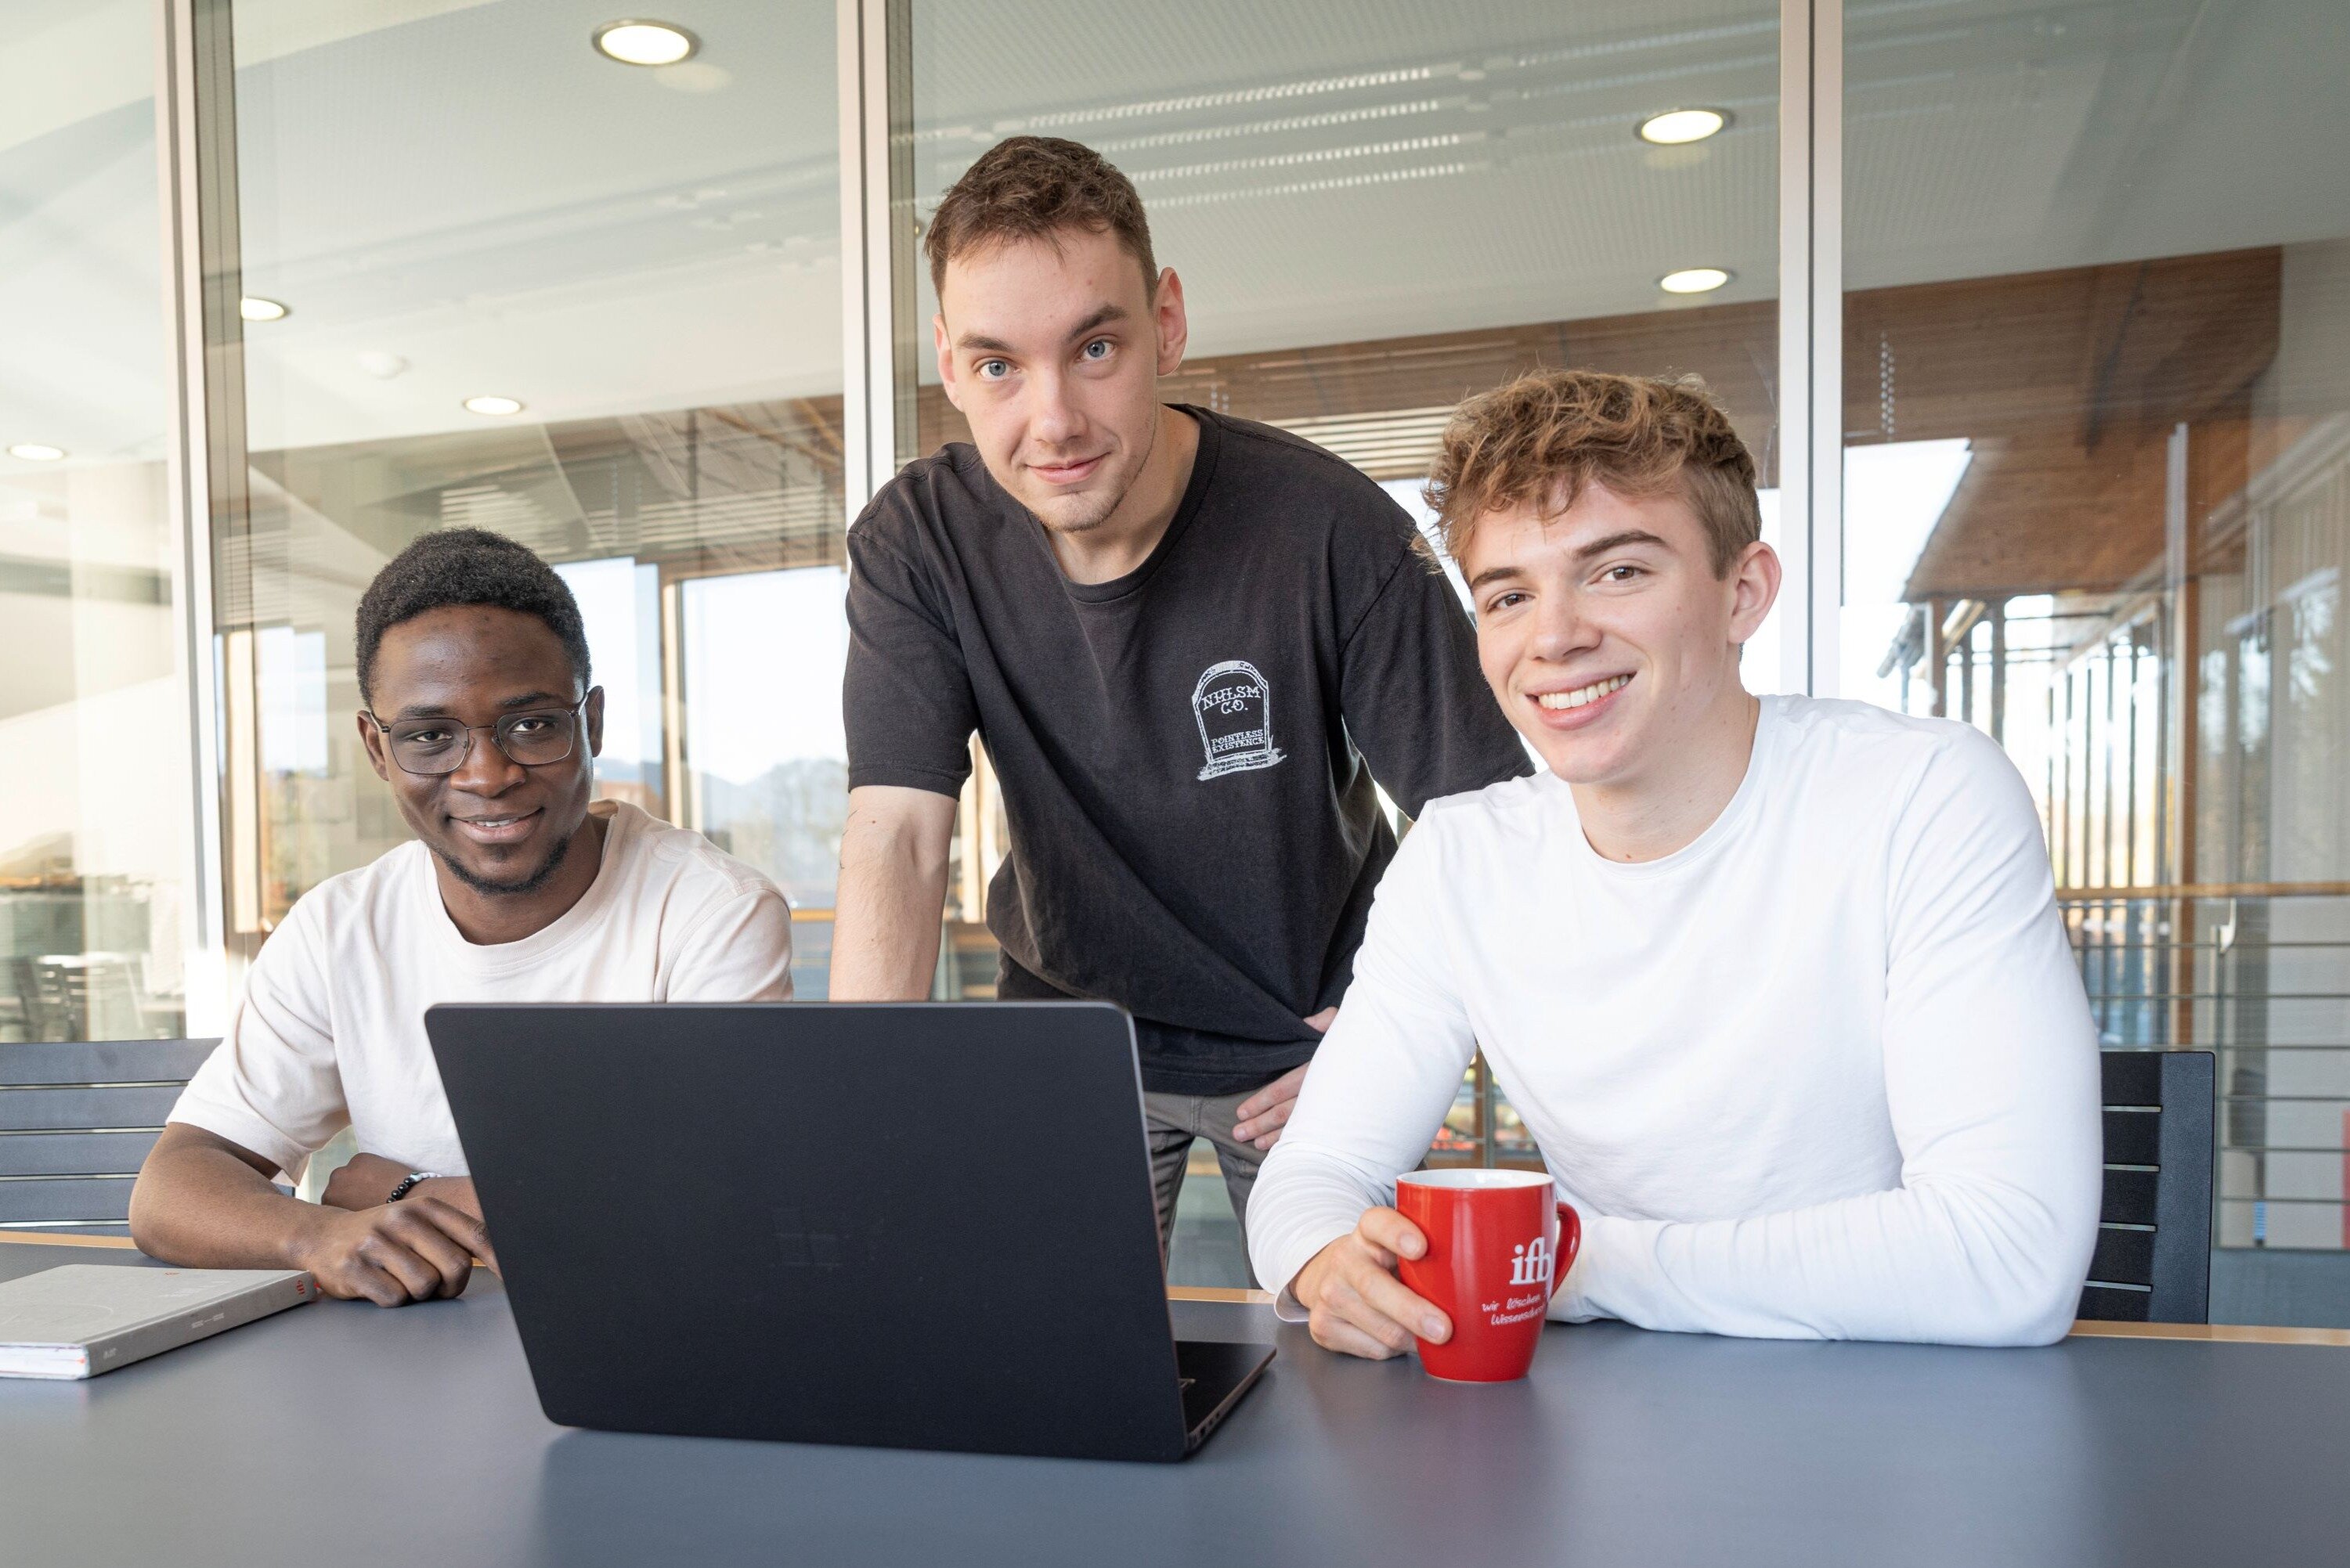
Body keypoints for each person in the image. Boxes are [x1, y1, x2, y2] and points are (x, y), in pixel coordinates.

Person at [1249, 369, 2103, 1348]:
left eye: (1618, 572)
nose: (1555, 637)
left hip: (1897, 1395)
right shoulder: (1459, 856)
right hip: (1605, 1402)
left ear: (1743, 592)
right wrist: (1331, 1262)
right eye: (1509, 595)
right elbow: (1313, 1175)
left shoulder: (1924, 795)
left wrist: (1564, 1263)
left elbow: (2008, 1255)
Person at [830, 136, 1529, 1268]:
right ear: (950, 365)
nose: (1053, 419)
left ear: (1165, 322)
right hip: (1068, 1040)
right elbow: (897, 836)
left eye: (1094, 347)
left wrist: (1384, 1036)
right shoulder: (920, 541)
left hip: (1304, 1046)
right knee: (1042, 1358)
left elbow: (1489, 827)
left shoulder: (1331, 529)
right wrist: (858, 1120)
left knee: (1353, 1359)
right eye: (998, 365)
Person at [129, 529, 795, 1306]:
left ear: (592, 723)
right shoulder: (338, 927)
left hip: (645, 1333)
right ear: (377, 749)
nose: (487, 774)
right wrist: (317, 1235)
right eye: (430, 737)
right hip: (406, 1352)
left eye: (532, 724)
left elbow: (719, 1216)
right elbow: (171, 1190)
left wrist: (400, 1188)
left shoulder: (712, 911)